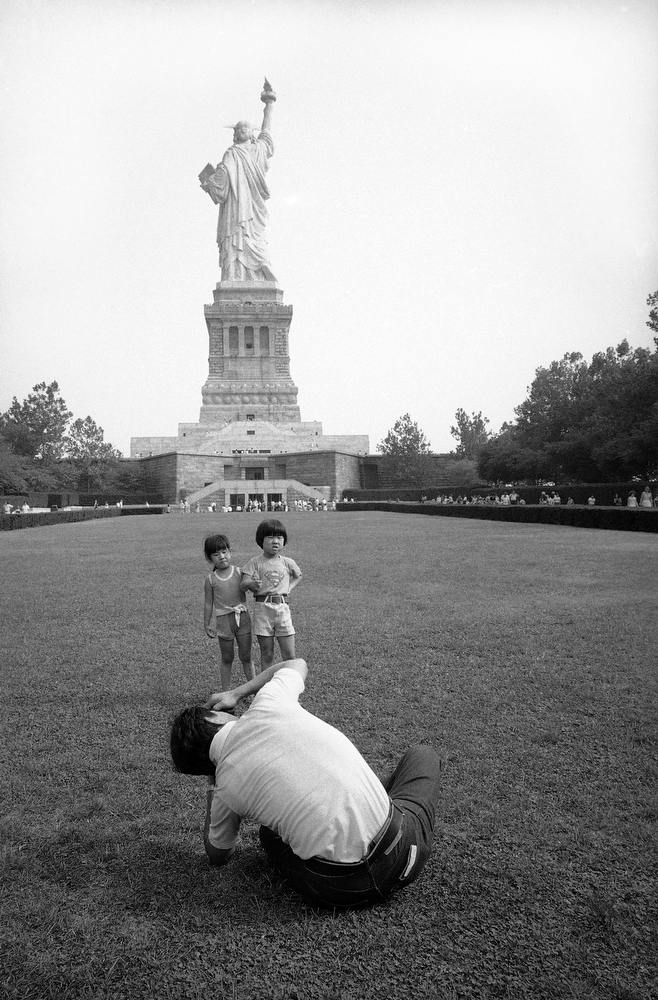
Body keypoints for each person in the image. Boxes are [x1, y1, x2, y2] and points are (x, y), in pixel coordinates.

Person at [169, 659, 442, 909]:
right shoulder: (268, 703)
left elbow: (217, 854)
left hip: (338, 889)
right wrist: (236, 693)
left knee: (269, 836)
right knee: (422, 755)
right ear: (214, 717)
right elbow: (296, 663)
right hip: (401, 845)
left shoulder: (225, 790)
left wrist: (213, 782)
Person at [200, 79, 277, 281]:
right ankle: (236, 275)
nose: (243, 130)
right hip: (235, 208)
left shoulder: (257, 150)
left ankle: (260, 269)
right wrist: (210, 183)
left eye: (246, 128)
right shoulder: (231, 154)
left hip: (252, 207)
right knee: (237, 237)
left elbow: (267, 133)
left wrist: (269, 104)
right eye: (239, 129)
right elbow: (222, 183)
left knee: (254, 238)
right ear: (235, 135)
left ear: (252, 133)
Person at [241, 519, 302, 671]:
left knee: (289, 654)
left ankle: (289, 686)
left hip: (282, 608)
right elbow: (243, 585)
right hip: (262, 609)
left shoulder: (288, 562)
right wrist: (252, 584)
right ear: (260, 540)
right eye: (270, 537)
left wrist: (288, 588)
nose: (275, 541)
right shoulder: (254, 562)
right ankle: (266, 687)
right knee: (267, 653)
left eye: (279, 538)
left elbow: (298, 575)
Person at [203, 534, 255, 690]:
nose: (221, 557)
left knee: (246, 657)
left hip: (243, 619)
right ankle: (226, 692)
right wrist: (206, 624)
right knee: (227, 658)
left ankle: (253, 690)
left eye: (224, 552)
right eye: (216, 554)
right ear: (209, 558)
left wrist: (254, 583)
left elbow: (251, 588)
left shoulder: (240, 572)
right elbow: (208, 603)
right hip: (224, 622)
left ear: (230, 552)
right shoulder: (211, 579)